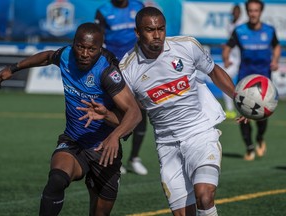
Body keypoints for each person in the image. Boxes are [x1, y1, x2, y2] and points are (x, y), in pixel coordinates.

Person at [81, 6, 247, 216]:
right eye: (150, 30)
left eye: (161, 28)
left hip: (200, 134)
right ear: (137, 32)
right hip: (167, 145)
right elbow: (128, 116)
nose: (157, 35)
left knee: (204, 196)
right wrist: (107, 115)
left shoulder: (186, 46)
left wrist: (238, 98)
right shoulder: (127, 69)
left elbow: (213, 71)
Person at [0, 22, 141, 216]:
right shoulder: (65, 56)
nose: (84, 53)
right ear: (73, 44)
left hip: (105, 149)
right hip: (74, 142)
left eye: (91, 49)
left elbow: (134, 113)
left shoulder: (107, 72)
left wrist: (112, 131)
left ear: (100, 48)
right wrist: (12, 68)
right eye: (80, 47)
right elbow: (47, 56)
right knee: (56, 180)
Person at [222, 0, 281, 161]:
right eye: (250, 11)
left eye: (256, 11)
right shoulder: (240, 31)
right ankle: (249, 148)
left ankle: (260, 137)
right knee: (244, 114)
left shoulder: (269, 31)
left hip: (264, 81)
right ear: (247, 12)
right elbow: (227, 47)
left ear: (260, 12)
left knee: (263, 115)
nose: (253, 13)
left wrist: (275, 60)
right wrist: (226, 58)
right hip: (245, 80)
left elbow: (276, 46)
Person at [94, 0, 148, 175]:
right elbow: (98, 40)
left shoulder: (138, 7)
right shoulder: (103, 11)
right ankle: (113, 155)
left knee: (141, 110)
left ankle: (134, 158)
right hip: (114, 69)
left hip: (137, 66)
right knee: (112, 112)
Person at [222, 4, 242, 119]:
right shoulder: (230, 25)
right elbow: (230, 43)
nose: (235, 13)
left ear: (240, 13)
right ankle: (229, 110)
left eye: (237, 12)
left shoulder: (242, 26)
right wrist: (226, 58)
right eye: (234, 12)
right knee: (225, 80)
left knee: (245, 86)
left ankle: (247, 108)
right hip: (233, 60)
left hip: (243, 60)